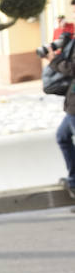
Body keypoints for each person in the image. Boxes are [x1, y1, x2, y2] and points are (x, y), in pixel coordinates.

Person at [49, 28, 75, 200]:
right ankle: (73, 180)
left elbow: (72, 68)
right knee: (62, 136)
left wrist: (54, 60)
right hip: (72, 104)